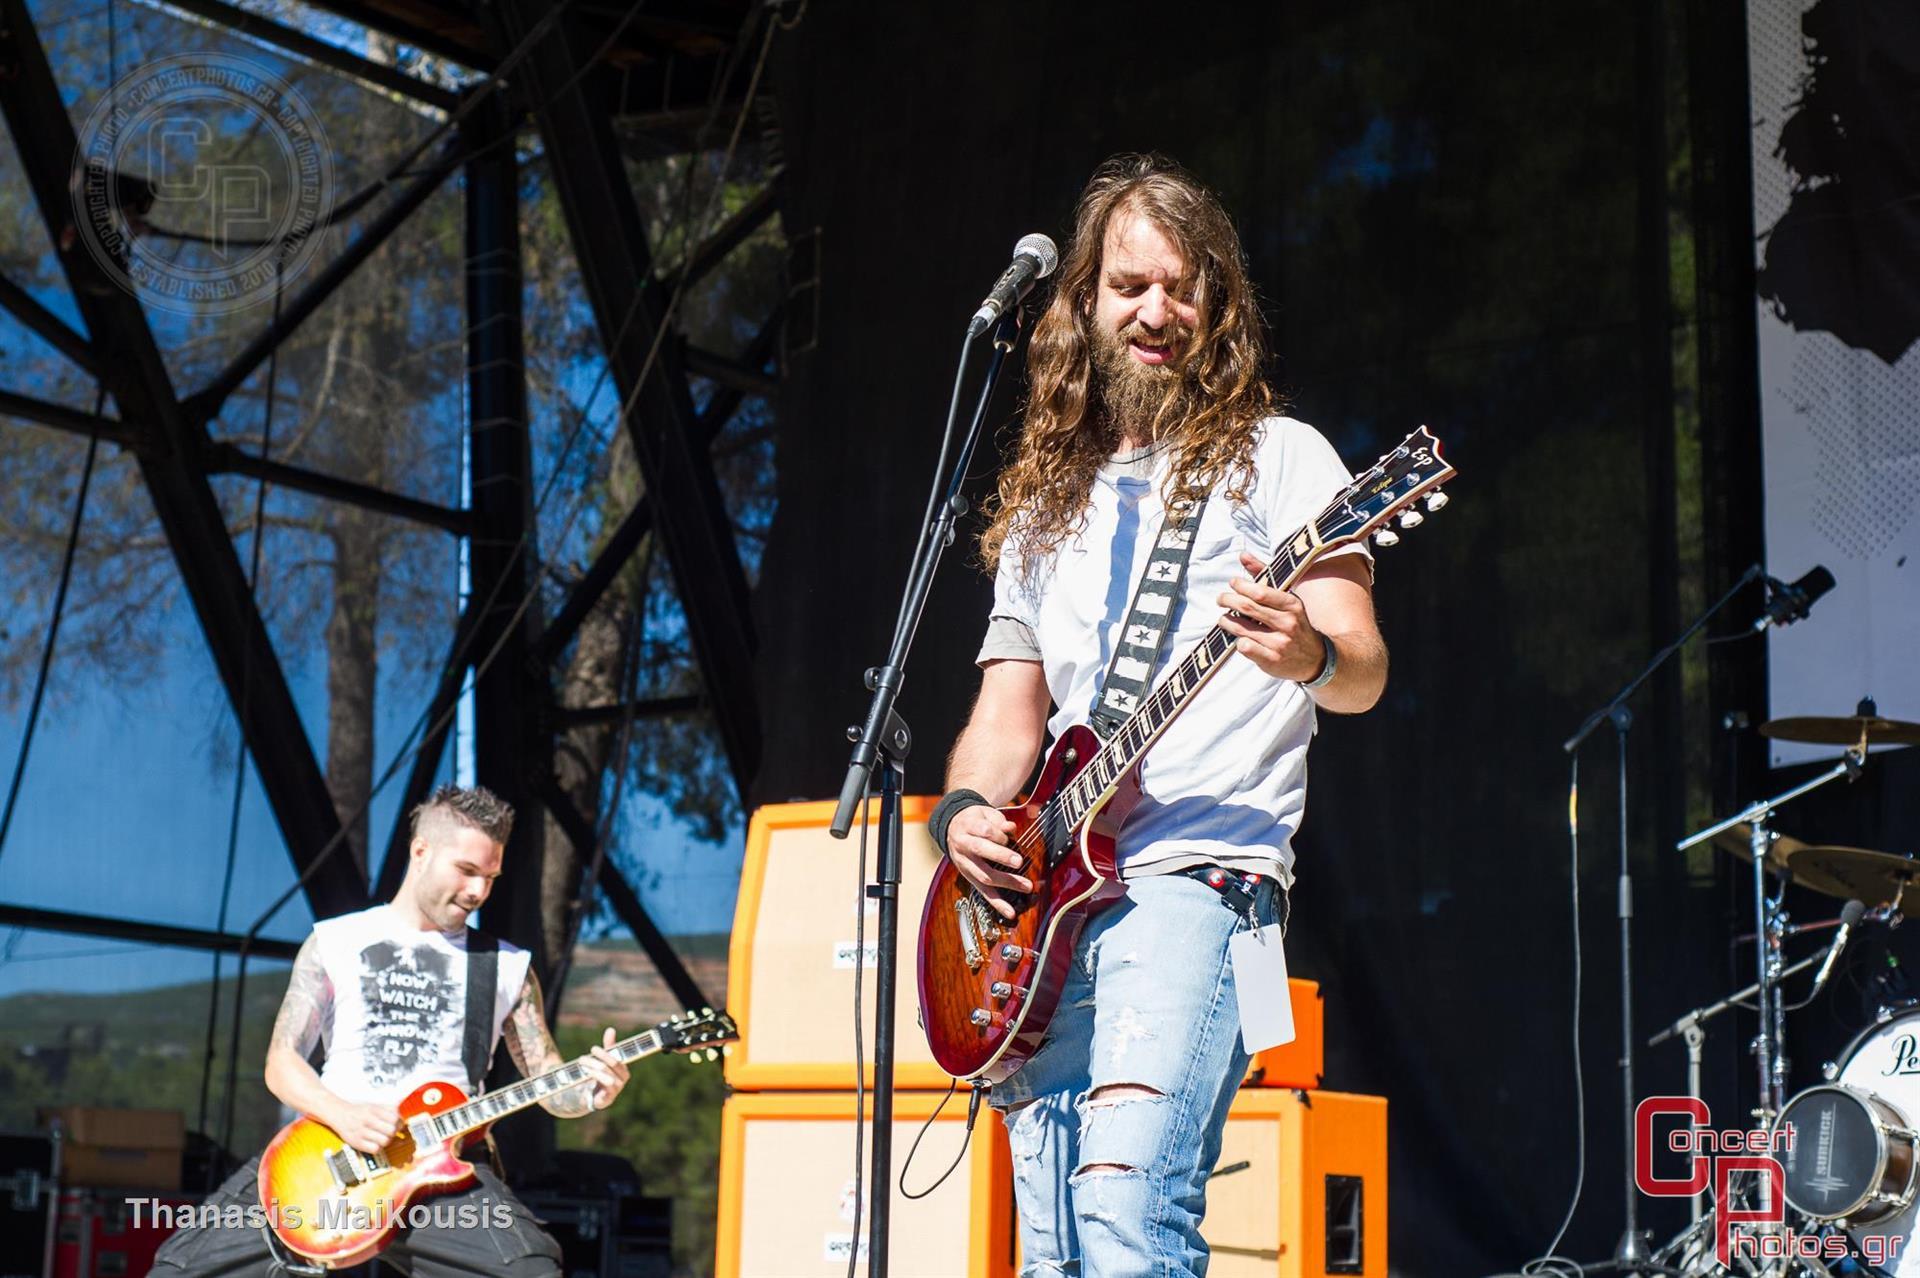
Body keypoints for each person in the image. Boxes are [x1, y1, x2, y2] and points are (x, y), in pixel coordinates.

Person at [928, 154, 1388, 1277]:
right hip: (1042, 911)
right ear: (1084, 303)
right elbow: (1008, 716)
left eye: (1183, 289)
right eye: (1130, 285)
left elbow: (1362, 670)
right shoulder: (1046, 505)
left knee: (1131, 1211)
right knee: (1053, 1250)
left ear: (1217, 307)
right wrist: (964, 818)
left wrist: (1306, 651)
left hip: (1201, 875)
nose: (1157, 311)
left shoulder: (1282, 460)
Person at [153, 784, 629, 1276]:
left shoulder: (506, 967)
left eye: (490, 876)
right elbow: (281, 1063)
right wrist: (343, 1114)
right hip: (325, 1157)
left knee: (528, 1272)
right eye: (466, 871)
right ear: (420, 852)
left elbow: (549, 1081)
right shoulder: (334, 941)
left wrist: (592, 1091)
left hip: (442, 1166)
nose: (478, 891)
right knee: (177, 1271)